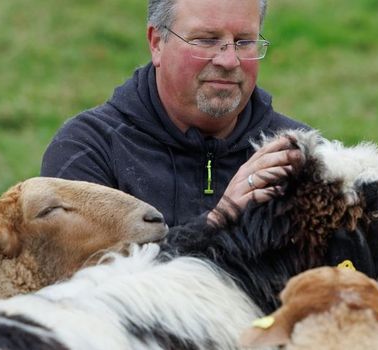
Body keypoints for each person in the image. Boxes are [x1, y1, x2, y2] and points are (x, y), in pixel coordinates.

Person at [40, 0, 308, 227]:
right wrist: (218, 222)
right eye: (206, 40)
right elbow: (91, 282)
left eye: (244, 41)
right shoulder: (90, 150)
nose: (229, 60)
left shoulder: (298, 155)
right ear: (157, 43)